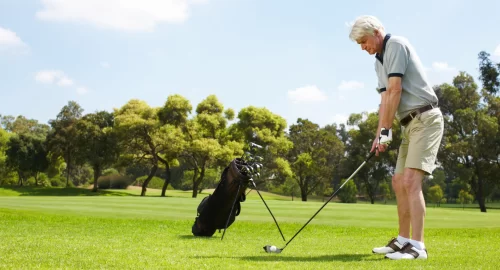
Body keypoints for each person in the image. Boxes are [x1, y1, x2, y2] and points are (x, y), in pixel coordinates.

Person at [348, 15, 444, 260]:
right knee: (399, 181)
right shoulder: (378, 62)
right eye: (359, 44)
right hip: (407, 124)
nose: (363, 47)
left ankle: (418, 247)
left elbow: (396, 90)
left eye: (364, 41)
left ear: (377, 32)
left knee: (411, 182)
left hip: (425, 118)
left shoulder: (397, 45)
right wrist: (379, 134)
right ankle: (402, 241)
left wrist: (386, 132)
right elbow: (384, 99)